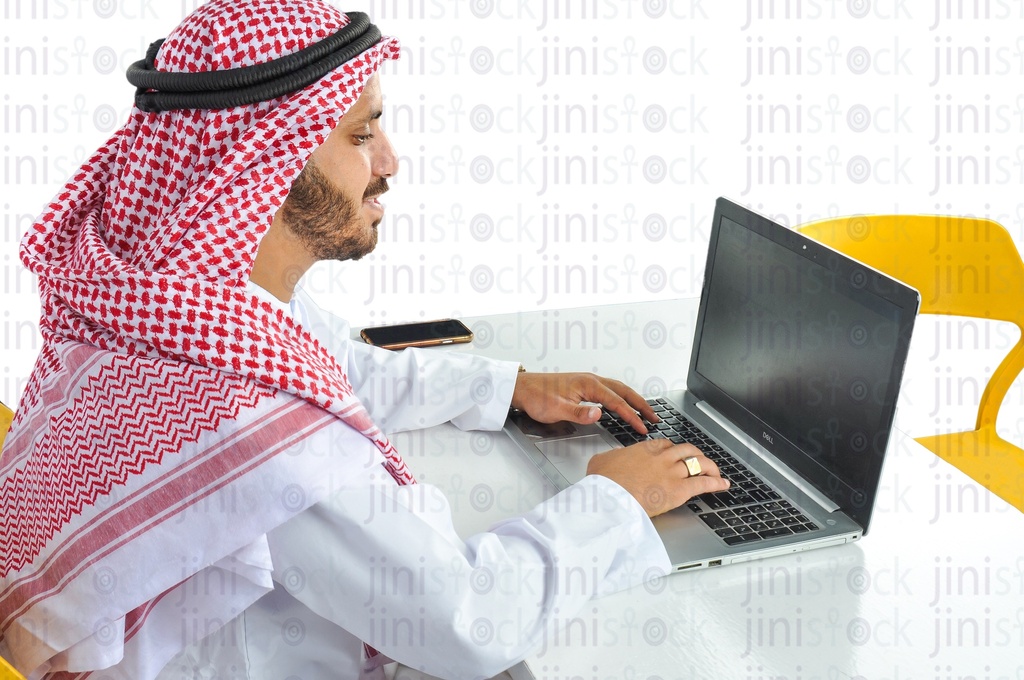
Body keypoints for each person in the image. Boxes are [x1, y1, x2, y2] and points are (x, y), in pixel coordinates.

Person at [0, 2, 729, 678]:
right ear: (267, 159)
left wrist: (506, 387)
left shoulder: (177, 298)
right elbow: (468, 622)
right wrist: (615, 499)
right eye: (360, 135)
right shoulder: (248, 418)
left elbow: (333, 365)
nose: (389, 161)